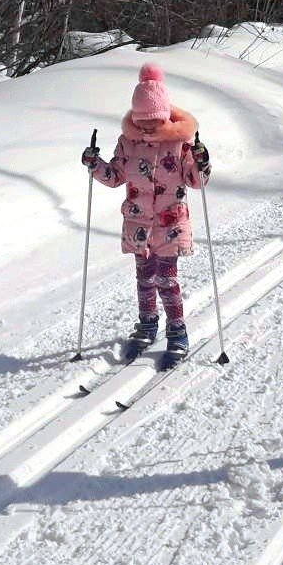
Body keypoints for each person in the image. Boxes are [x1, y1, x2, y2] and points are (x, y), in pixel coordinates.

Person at [82, 63, 211, 359]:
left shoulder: (180, 143)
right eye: (142, 122)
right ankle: (148, 325)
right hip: (138, 224)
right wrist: (95, 165)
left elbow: (196, 181)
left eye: (153, 122)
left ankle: (177, 331)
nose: (147, 128)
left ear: (164, 116)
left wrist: (201, 162)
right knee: (144, 279)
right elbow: (115, 177)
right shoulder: (128, 143)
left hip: (171, 224)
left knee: (166, 279)